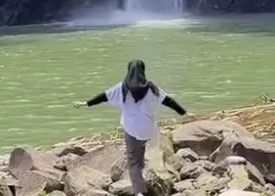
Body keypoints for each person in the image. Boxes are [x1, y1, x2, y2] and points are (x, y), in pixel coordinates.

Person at [72, 59, 188, 196]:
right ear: (143, 71)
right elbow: (169, 101)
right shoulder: (152, 88)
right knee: (151, 153)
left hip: (132, 130)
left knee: (134, 162)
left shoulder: (122, 87)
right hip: (149, 130)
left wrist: (86, 103)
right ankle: (158, 175)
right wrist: (184, 113)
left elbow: (103, 97)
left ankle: (139, 192)